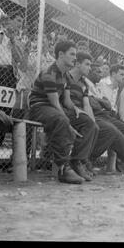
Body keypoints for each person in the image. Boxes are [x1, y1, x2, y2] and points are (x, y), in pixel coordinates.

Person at [28, 40, 87, 184]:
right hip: (39, 107)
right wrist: (69, 125)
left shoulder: (66, 75)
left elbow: (66, 101)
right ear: (61, 54)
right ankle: (63, 168)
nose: (75, 57)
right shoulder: (49, 73)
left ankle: (77, 162)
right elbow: (54, 103)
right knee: (62, 120)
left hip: (52, 109)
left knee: (87, 121)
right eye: (72, 54)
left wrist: (76, 109)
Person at [65, 52, 100, 182]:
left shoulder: (84, 84)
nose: (89, 68)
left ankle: (82, 161)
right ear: (77, 64)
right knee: (88, 124)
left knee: (94, 126)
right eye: (87, 64)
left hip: (78, 113)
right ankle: (76, 161)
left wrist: (93, 121)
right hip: (66, 110)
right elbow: (64, 101)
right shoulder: (66, 77)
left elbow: (86, 105)